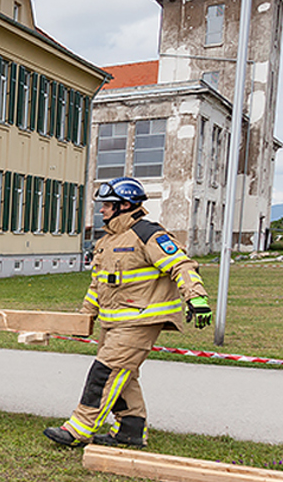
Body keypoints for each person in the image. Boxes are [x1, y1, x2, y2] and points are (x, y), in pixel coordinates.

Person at [43, 177, 212, 448]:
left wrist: (197, 298)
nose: (102, 211)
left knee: (105, 372)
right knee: (125, 376)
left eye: (107, 205)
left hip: (141, 320)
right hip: (113, 322)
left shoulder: (149, 234)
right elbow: (97, 284)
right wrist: (84, 317)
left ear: (125, 205)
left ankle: (78, 428)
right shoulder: (107, 241)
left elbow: (181, 265)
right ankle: (130, 432)